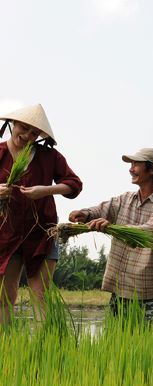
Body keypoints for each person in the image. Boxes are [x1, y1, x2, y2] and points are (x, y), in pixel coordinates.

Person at [69, 148, 153, 333]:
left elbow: (151, 231)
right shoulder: (125, 199)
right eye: (131, 164)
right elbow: (102, 209)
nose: (131, 169)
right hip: (122, 285)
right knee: (117, 340)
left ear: (152, 170)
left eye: (136, 164)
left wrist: (111, 228)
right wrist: (85, 214)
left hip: (151, 287)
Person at [0, 104, 82, 325]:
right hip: (6, 235)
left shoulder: (49, 156)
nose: (27, 136)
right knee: (4, 297)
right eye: (23, 128)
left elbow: (74, 185)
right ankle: (6, 344)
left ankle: (45, 345)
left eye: (34, 133)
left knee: (40, 295)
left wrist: (45, 190)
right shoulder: (0, 152)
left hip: (42, 233)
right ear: (12, 124)